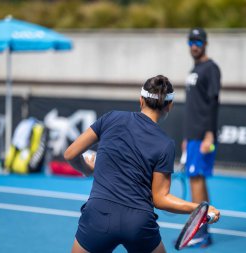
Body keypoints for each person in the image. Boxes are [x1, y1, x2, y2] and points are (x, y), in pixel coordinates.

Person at [64, 75, 220, 253]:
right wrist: (200, 209)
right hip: (138, 224)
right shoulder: (166, 144)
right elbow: (160, 199)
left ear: (141, 100)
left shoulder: (111, 118)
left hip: (98, 217)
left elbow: (71, 154)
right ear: (169, 106)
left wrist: (89, 169)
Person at [182, 28, 221, 248]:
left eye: (197, 41)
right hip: (193, 137)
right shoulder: (194, 69)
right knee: (196, 180)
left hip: (203, 135)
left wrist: (209, 135)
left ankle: (200, 230)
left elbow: (213, 103)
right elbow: (193, 107)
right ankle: (203, 229)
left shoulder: (211, 68)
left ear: (205, 43)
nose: (194, 45)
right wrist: (187, 137)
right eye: (190, 42)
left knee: (196, 179)